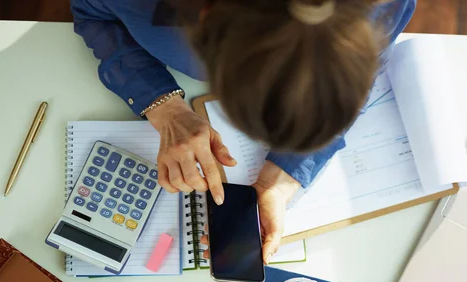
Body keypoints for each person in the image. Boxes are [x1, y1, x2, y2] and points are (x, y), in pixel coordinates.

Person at [71, 0, 415, 262]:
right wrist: (162, 105)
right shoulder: (151, 9)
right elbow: (90, 8)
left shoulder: (385, 7)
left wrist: (282, 178)